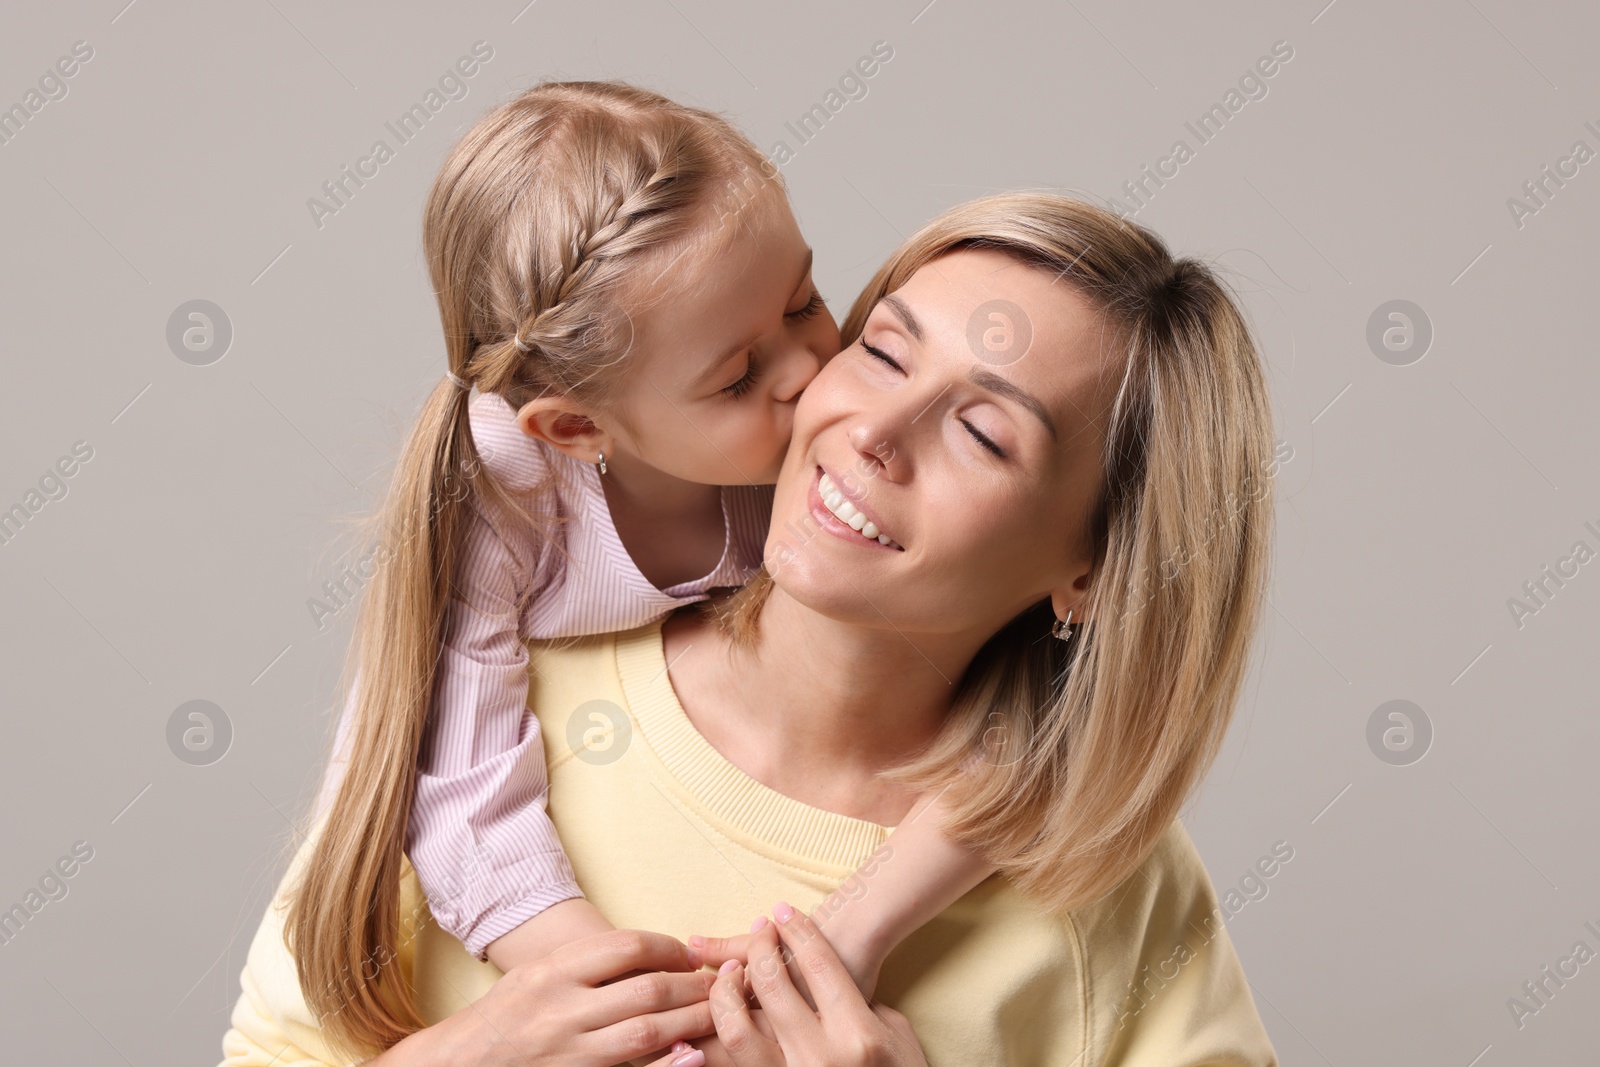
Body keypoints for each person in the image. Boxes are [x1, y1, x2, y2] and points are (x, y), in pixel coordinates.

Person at [220, 191, 1281, 1066]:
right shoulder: (492, 729)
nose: (872, 431)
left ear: (1092, 568)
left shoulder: (1104, 877)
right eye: (881, 351)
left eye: (982, 432)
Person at [285, 80, 1024, 1065]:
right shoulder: (502, 492)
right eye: (736, 375)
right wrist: (631, 1011)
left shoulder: (826, 455)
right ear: (580, 427)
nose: (809, 370)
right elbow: (457, 791)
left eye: (804, 296)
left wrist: (854, 931)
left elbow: (1050, 715)